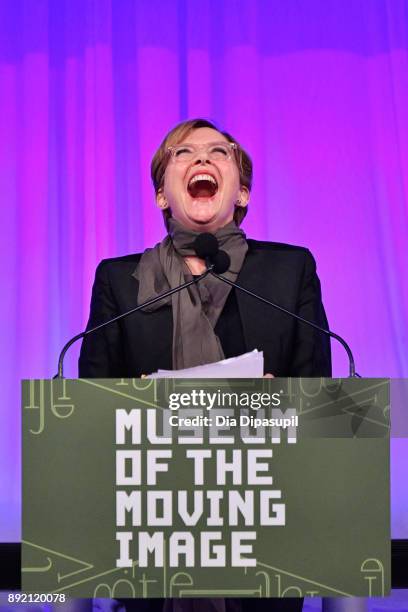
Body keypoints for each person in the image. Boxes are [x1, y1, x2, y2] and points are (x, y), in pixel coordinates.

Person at [79, 118, 332, 612]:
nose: (201, 159)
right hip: (151, 534)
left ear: (241, 192)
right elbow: (88, 408)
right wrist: (137, 406)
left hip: (267, 527)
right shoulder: (119, 280)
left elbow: (323, 401)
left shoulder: (290, 269)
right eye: (183, 153)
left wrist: (273, 408)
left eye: (220, 152)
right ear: (161, 195)